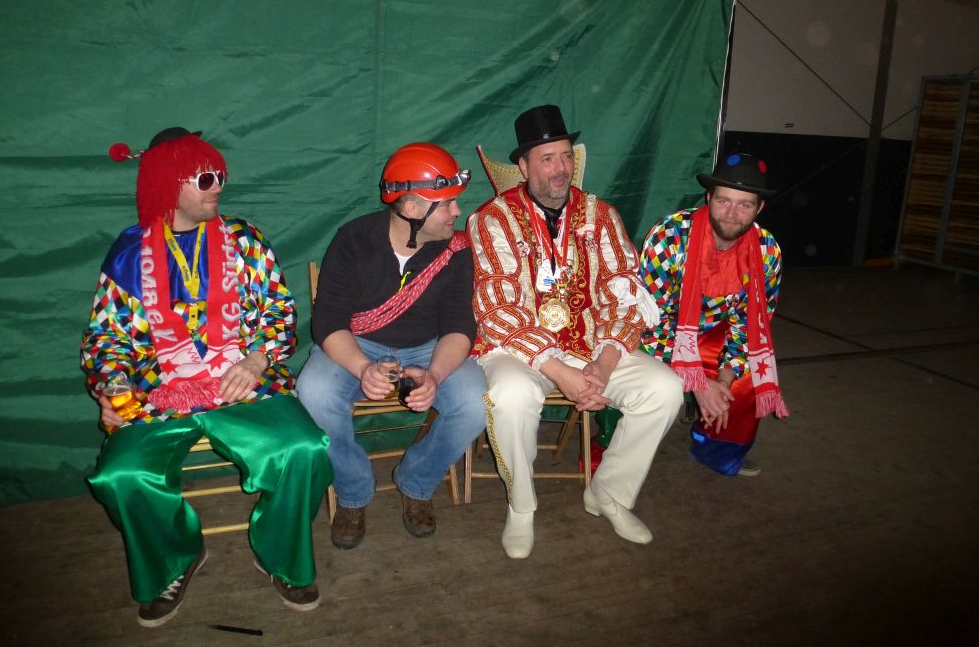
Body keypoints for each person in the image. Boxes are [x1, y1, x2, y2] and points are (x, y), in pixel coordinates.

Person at [82, 127, 332, 628]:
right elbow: (107, 337)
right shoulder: (129, 252)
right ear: (167, 182)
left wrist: (257, 360)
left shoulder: (244, 240)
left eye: (219, 174)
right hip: (156, 392)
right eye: (204, 178)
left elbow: (279, 311)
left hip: (245, 384)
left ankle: (280, 553)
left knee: (305, 449)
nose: (218, 185)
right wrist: (113, 387)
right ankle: (176, 557)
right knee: (120, 475)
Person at [468, 104, 683, 560]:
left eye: (566, 156)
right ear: (523, 167)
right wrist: (560, 371)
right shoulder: (492, 218)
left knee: (664, 388)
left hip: (591, 346)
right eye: (547, 159)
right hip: (517, 349)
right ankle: (521, 506)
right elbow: (497, 309)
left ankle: (608, 494)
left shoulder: (600, 214)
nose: (560, 167)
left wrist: (602, 365)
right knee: (510, 394)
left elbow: (626, 293)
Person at [297, 143, 487, 550]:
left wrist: (435, 375)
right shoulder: (354, 239)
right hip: (356, 343)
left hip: (429, 347)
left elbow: (459, 325)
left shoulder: (456, 250)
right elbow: (328, 321)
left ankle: (417, 482)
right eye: (447, 204)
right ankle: (352, 492)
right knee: (314, 392)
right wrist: (362, 367)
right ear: (413, 208)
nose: (457, 212)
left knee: (475, 401)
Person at [638, 152, 787, 477]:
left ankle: (716, 449)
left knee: (751, 374)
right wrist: (697, 381)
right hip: (660, 336)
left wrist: (725, 379)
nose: (731, 214)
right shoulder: (669, 237)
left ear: (759, 208)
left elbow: (751, 326)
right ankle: (613, 451)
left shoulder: (767, 251)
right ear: (708, 198)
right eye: (723, 201)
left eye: (744, 205)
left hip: (713, 337)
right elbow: (647, 323)